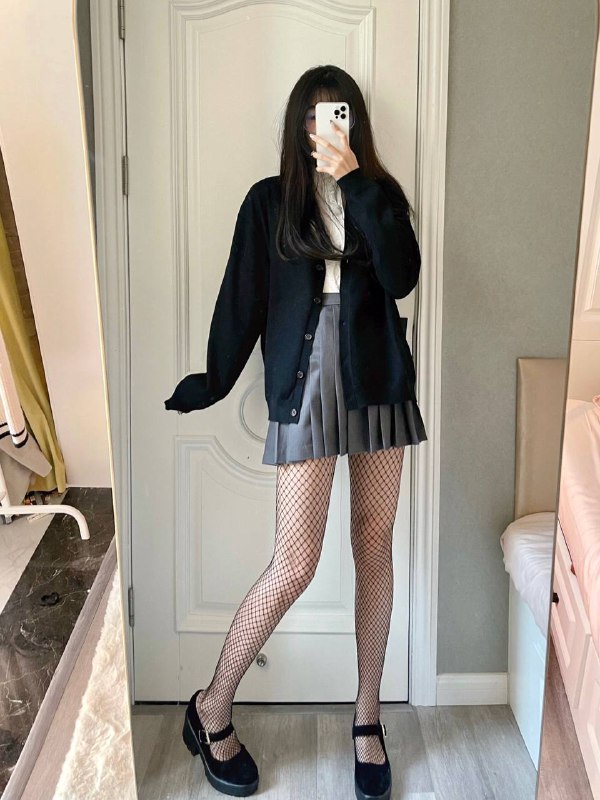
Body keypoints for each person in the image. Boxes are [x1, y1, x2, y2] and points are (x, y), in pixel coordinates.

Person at [166, 64, 427, 800]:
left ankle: (368, 718)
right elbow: (241, 301)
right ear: (297, 125)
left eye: (338, 114)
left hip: (378, 379)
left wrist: (357, 183)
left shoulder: (380, 196)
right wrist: (213, 379)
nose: (324, 126)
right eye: (313, 115)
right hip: (307, 383)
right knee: (295, 562)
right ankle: (211, 706)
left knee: (374, 544)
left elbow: (402, 277)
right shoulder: (267, 203)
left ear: (354, 124)